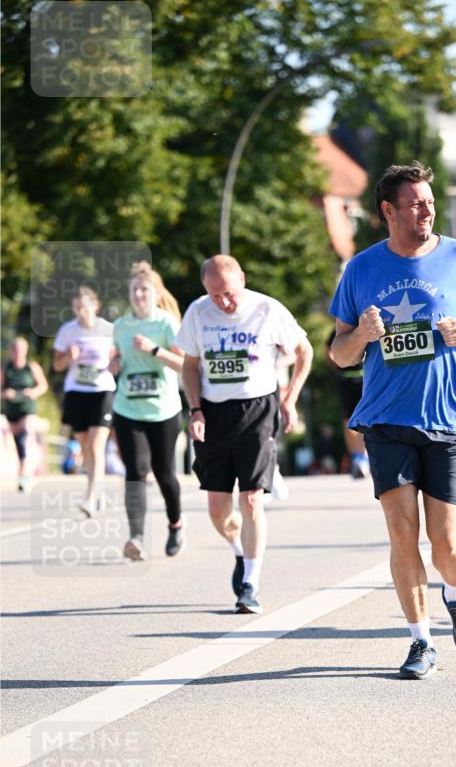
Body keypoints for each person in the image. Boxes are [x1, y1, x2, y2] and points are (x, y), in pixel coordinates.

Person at [330, 161, 456, 680]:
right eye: (415, 203)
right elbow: (339, 354)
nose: (426, 209)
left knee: (446, 541)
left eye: (429, 202)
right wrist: (361, 334)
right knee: (402, 532)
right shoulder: (361, 269)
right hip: (386, 419)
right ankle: (419, 641)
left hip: (448, 418)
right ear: (388, 211)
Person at [178, 254, 313, 613]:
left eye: (230, 293)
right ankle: (240, 550)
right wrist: (195, 409)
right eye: (215, 295)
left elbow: (304, 351)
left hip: (257, 409)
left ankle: (250, 584)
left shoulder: (268, 309)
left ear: (243, 278)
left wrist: (291, 399)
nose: (224, 301)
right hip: (212, 411)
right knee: (218, 510)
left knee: (251, 499)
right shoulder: (197, 312)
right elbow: (190, 365)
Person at [111, 262, 185, 560]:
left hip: (163, 409)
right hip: (127, 408)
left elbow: (184, 365)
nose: (139, 294)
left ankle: (176, 523)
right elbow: (117, 360)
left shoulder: (166, 324)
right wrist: (113, 365)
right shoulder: (120, 326)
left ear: (155, 294)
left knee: (164, 472)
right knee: (135, 472)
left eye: (144, 289)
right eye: (134, 290)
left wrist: (155, 350)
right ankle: (136, 537)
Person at [52, 285, 115, 516]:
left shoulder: (108, 329)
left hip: (102, 390)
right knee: (85, 445)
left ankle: (90, 497)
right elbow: (56, 365)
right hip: (76, 391)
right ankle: (96, 489)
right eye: (76, 308)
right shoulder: (67, 330)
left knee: (97, 445)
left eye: (84, 307)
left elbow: (118, 359)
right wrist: (69, 356)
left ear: (95, 306)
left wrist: (115, 363)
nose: (80, 312)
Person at [0, 337, 49, 490]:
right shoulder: (5, 368)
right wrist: (5, 393)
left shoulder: (32, 367)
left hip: (27, 409)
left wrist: (32, 392)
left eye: (21, 350)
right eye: (15, 349)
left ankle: (25, 476)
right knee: (16, 444)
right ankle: (22, 472)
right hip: (10, 411)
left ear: (26, 351)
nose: (18, 353)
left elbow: (43, 386)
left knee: (24, 438)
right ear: (11, 351)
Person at [325, 327, 370, 478]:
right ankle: (357, 457)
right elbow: (328, 348)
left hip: (365, 379)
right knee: (348, 420)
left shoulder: (369, 323)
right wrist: (338, 366)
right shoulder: (340, 328)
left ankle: (365, 457)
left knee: (365, 419)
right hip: (346, 380)